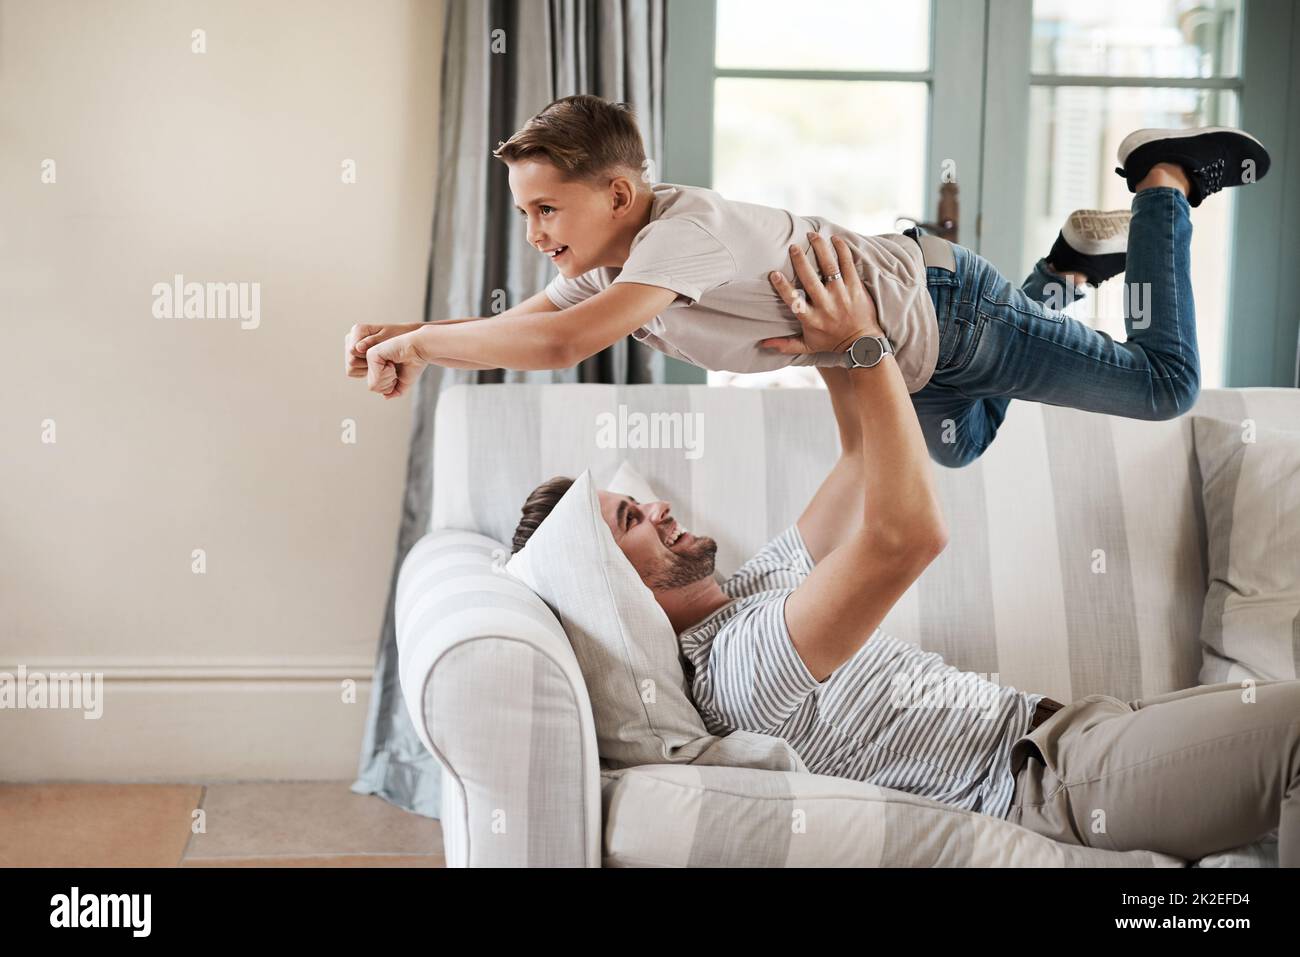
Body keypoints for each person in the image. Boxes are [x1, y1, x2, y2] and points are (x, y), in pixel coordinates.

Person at [508, 231, 1299, 864]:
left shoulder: (752, 595)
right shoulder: (739, 668)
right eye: (631, 520)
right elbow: (910, 535)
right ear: (620, 587)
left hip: (1085, 733)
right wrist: (863, 349)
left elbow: (861, 459)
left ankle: (1057, 279)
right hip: (1060, 784)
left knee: (951, 412)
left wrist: (822, 339)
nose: (657, 505)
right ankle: (1130, 217)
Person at [344, 95, 1271, 468]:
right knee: (962, 443)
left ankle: (1163, 179)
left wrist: (424, 346)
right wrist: (413, 333)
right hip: (916, 361)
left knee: (1163, 386)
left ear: (619, 192)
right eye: (524, 214)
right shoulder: (611, 267)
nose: (537, 233)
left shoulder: (682, 232)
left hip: (953, 312)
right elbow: (531, 323)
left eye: (548, 210)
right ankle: (1068, 268)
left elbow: (554, 344)